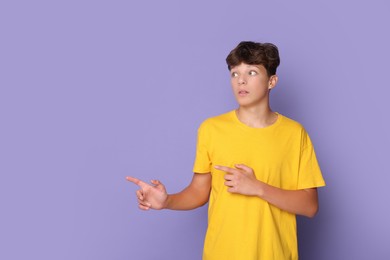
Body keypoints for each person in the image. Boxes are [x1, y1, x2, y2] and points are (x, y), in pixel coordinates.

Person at [127, 41, 325, 260]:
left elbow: (310, 206)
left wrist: (258, 188)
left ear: (272, 81)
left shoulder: (295, 134)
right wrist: (167, 202)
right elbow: (199, 191)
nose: (241, 80)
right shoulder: (211, 129)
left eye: (251, 72)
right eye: (234, 73)